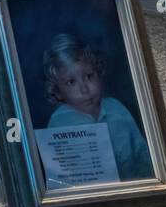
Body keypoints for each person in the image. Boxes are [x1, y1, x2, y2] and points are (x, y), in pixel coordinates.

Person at [43, 33, 151, 181]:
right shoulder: (58, 123)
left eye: (88, 76)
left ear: (99, 73)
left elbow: (142, 155)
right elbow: (58, 176)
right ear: (57, 91)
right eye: (71, 82)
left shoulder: (117, 109)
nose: (84, 89)